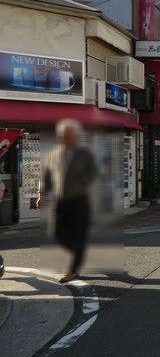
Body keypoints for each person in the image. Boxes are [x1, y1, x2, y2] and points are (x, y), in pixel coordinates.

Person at [39, 120, 97, 283]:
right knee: (58, 234)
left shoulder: (84, 153)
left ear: (75, 137)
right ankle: (79, 252)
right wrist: (41, 195)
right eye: (63, 136)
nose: (66, 139)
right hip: (60, 201)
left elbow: (93, 172)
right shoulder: (54, 154)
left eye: (69, 136)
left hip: (79, 200)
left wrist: (82, 183)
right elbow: (46, 176)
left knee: (78, 234)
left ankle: (73, 269)